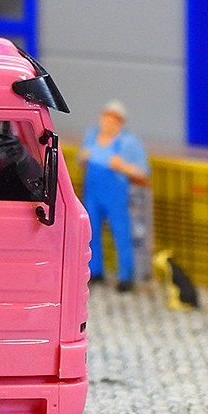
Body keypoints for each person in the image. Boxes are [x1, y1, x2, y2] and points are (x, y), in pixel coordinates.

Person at [79, 100, 149, 292]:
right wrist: (83, 157)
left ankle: (126, 276)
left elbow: (143, 172)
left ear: (120, 123)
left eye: (112, 120)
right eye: (105, 118)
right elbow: (81, 160)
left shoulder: (128, 142)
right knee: (90, 233)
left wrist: (122, 167)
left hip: (115, 196)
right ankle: (95, 271)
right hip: (92, 194)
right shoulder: (92, 135)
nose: (107, 123)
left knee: (121, 234)